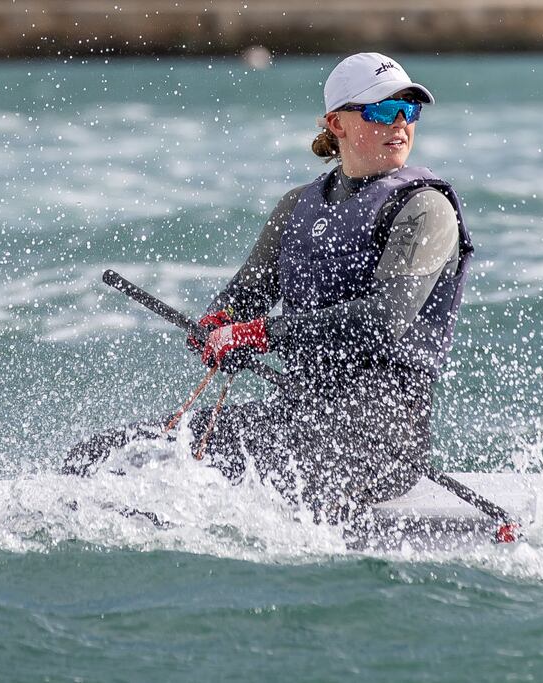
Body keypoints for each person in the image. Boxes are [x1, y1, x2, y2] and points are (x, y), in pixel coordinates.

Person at [63, 53, 473, 534]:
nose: (400, 124)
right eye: (382, 111)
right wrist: (218, 324)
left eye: (410, 111)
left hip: (381, 433)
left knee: (279, 487)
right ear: (336, 124)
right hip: (295, 413)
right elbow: (244, 297)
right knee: (98, 456)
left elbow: (385, 319)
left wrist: (259, 334)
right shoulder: (296, 207)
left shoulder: (426, 206)